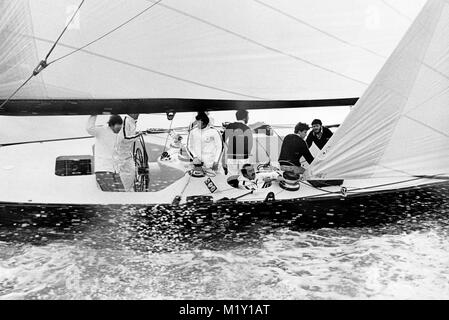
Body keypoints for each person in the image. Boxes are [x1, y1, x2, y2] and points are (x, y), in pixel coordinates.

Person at [86, 114, 124, 191]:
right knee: (112, 195)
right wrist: (94, 114)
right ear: (112, 125)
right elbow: (89, 128)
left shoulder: (118, 135)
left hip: (115, 170)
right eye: (117, 128)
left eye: (120, 128)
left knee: (122, 194)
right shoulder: (101, 130)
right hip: (103, 169)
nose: (118, 130)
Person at [114, 114, 143, 192]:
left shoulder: (132, 122)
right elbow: (125, 138)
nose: (138, 114)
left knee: (131, 176)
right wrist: (138, 135)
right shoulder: (126, 121)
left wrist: (137, 134)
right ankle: (125, 194)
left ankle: (129, 193)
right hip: (121, 157)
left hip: (127, 155)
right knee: (126, 178)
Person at [222, 109, 254, 175]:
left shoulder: (230, 126)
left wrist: (228, 147)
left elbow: (222, 139)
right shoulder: (247, 128)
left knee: (232, 175)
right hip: (244, 157)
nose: (248, 118)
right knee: (243, 175)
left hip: (232, 156)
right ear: (245, 118)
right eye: (248, 117)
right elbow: (250, 145)